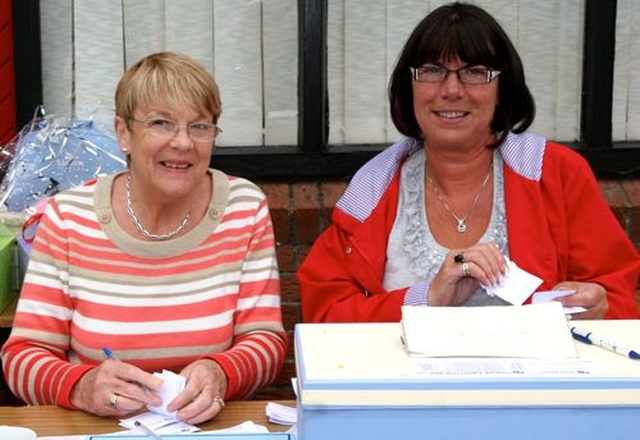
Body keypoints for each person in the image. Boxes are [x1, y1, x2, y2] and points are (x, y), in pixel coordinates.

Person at [298, 2, 640, 323]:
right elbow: (326, 317)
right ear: (409, 87)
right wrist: (427, 299)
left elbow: (619, 302)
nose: (451, 90)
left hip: (538, 385)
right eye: (432, 70)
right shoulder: (374, 186)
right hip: (404, 387)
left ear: (504, 89)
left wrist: (600, 306)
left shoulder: (556, 173)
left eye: (475, 72)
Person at [1, 51, 287, 424]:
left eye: (200, 126)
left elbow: (265, 340)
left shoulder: (243, 208)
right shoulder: (69, 218)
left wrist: (223, 371)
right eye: (161, 123)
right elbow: (22, 356)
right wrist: (81, 384)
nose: (183, 143)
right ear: (124, 134)